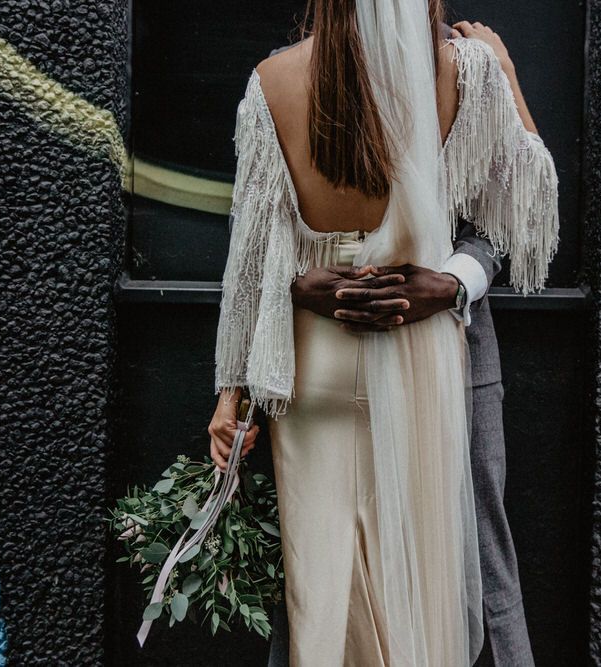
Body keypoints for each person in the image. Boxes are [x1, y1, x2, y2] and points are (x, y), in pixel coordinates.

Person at [209, 1, 558, 664]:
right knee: (447, 574)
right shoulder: (469, 69)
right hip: (429, 360)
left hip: (318, 362)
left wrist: (233, 388)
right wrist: (507, 72)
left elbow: (255, 251)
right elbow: (530, 201)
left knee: (323, 577)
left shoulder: (271, 81)